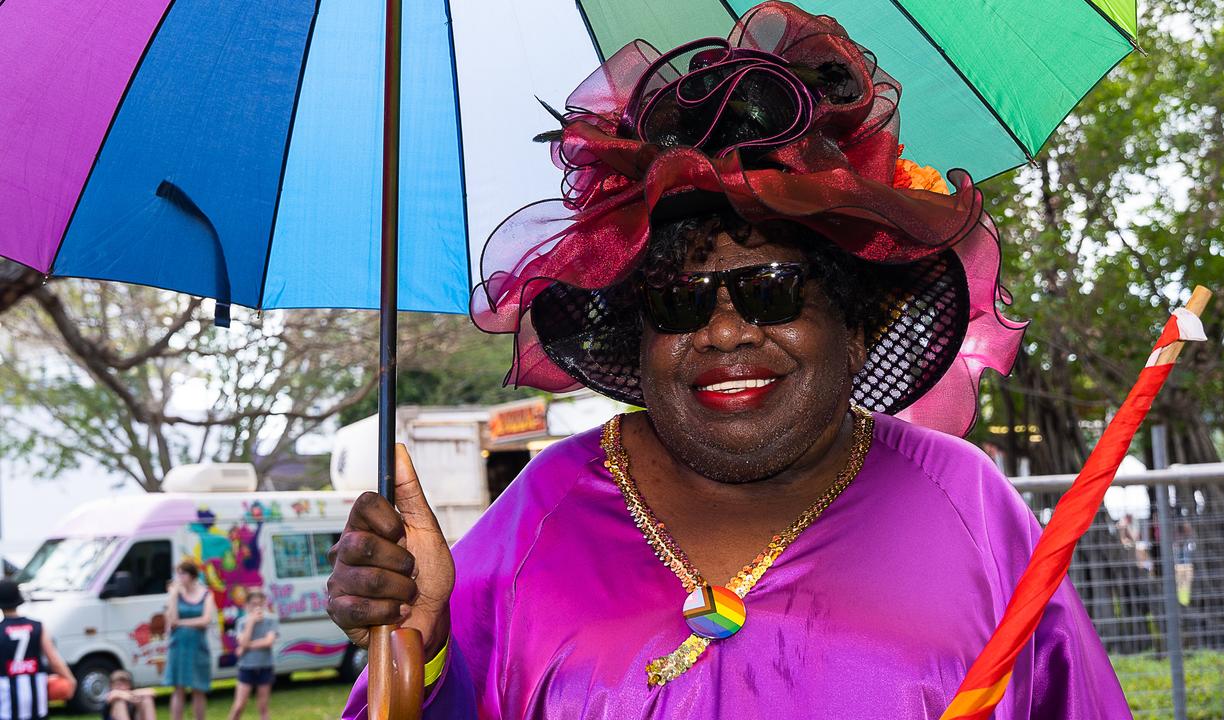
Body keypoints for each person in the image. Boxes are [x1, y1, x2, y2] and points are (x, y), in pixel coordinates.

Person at [327, 4, 1133, 717]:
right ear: (637, 334)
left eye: (773, 289)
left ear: (855, 321)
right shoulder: (539, 516)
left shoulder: (970, 508)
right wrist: (420, 650)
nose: (722, 332)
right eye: (679, 300)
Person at [0, 579, 75, 720]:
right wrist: (70, 679)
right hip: (37, 697)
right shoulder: (37, 626)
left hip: (6, 700)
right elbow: (53, 660)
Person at [164, 560, 214, 720]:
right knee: (178, 689)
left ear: (192, 575)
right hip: (178, 646)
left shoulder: (206, 594)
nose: (179, 577)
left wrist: (183, 623)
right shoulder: (176, 595)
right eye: (178, 573)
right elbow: (172, 621)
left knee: (198, 688)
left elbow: (206, 620)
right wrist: (172, 596)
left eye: (182, 573)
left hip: (198, 646)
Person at [228, 588, 277, 720]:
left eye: (260, 604)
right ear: (247, 605)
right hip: (246, 667)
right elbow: (242, 642)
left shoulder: (271, 620)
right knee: (239, 706)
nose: (257, 607)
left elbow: (268, 642)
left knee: (263, 707)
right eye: (254, 604)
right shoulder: (242, 622)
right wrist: (251, 622)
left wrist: (246, 646)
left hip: (265, 666)